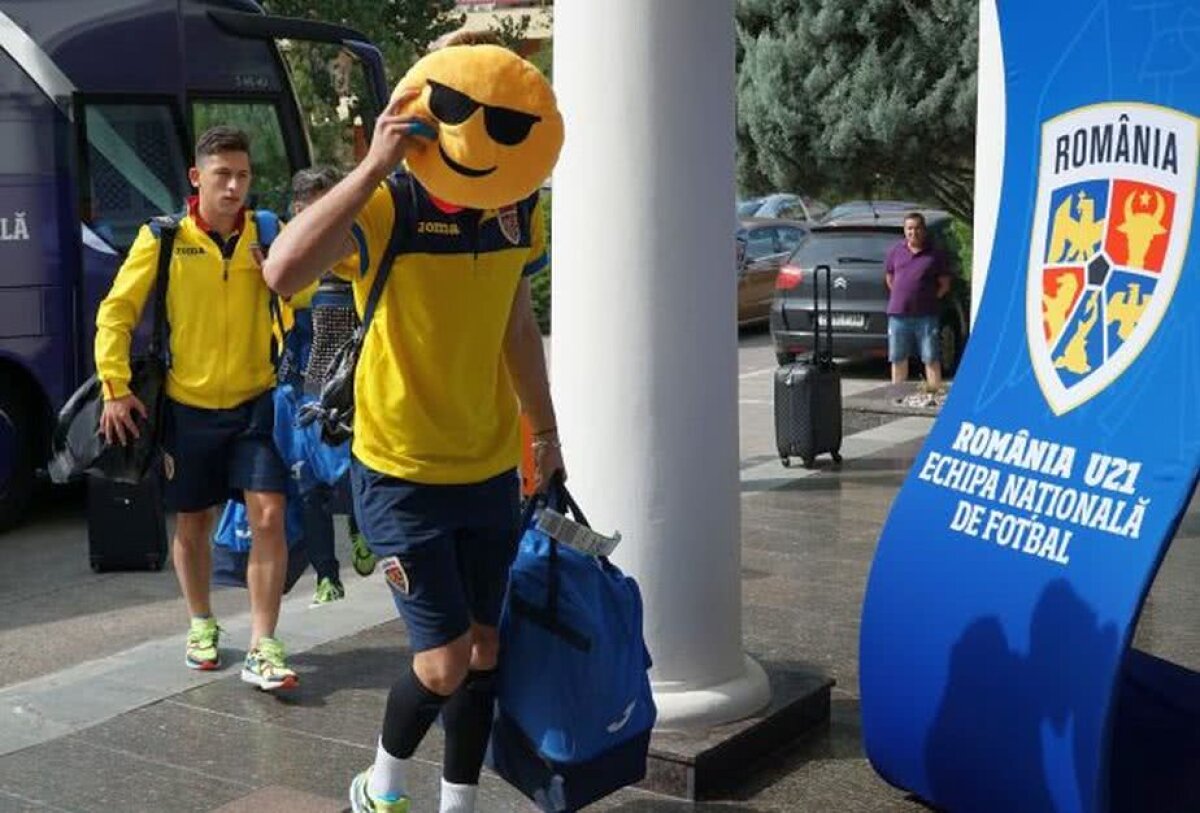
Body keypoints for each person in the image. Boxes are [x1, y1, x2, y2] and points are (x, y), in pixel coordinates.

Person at [263, 56, 565, 813]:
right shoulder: (389, 204)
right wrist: (372, 163)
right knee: (441, 662)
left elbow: (516, 323)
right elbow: (281, 271)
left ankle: (456, 801)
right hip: (400, 470)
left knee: (485, 650)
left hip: (490, 464)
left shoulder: (520, 207)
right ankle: (381, 782)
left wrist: (545, 427)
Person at [95, 126, 298, 692]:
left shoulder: (266, 231)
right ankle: (202, 623)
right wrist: (115, 384)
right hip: (188, 409)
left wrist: (280, 271)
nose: (234, 187)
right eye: (222, 176)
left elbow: (303, 289)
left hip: (254, 403)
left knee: (269, 516)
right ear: (197, 178)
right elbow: (116, 312)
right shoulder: (163, 238)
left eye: (243, 176)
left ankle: (263, 643)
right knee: (193, 522)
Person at [283, 165, 378, 608]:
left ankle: (362, 531)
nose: (317, 217)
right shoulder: (285, 255)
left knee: (357, 472)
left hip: (356, 387)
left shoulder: (359, 247)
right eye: (307, 208)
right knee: (310, 489)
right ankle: (326, 576)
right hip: (308, 388)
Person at [884, 212, 953, 388]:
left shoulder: (935, 255)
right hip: (898, 314)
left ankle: (933, 393)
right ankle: (897, 394)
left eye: (917, 228)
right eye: (909, 228)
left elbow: (944, 285)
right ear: (904, 230)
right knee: (898, 357)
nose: (913, 232)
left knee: (931, 357)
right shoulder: (895, 252)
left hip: (926, 315)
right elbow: (890, 278)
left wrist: (927, 298)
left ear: (923, 230)